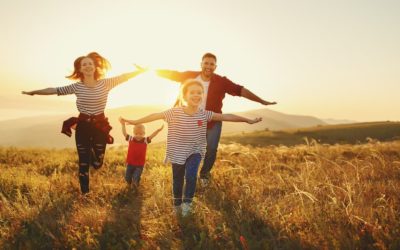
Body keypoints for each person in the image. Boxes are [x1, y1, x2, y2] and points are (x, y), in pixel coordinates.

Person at [120, 79, 262, 217]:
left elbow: (226, 116)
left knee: (191, 175)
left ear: (202, 96)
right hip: (177, 152)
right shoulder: (174, 112)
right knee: (178, 179)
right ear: (185, 96)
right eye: (192, 92)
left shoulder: (204, 114)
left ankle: (187, 204)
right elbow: (155, 116)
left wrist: (247, 120)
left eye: (199, 93)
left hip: (195, 151)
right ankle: (177, 205)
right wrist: (134, 122)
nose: (196, 95)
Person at [22, 52, 146, 194]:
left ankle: (93, 155)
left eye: (90, 64)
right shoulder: (77, 87)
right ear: (80, 69)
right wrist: (34, 92)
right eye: (84, 64)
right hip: (83, 126)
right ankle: (85, 193)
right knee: (83, 162)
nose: (87, 66)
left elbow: (124, 77)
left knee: (98, 163)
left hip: (100, 126)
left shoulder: (105, 83)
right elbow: (54, 90)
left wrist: (140, 71)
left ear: (95, 67)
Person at [155, 52, 277, 187]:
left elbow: (240, 90)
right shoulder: (190, 76)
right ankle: (188, 174)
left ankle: (204, 174)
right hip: (190, 120)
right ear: (201, 64)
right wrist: (148, 69)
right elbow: (171, 74)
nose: (208, 66)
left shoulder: (221, 81)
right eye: (206, 63)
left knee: (211, 149)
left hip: (213, 120)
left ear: (215, 66)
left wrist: (262, 101)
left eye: (211, 64)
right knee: (188, 148)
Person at [119, 118, 163, 189]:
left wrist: (158, 130)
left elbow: (152, 135)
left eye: (141, 134)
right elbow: (124, 133)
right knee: (127, 178)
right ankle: (129, 186)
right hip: (130, 163)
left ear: (144, 133)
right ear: (134, 133)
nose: (138, 135)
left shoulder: (145, 140)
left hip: (139, 165)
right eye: (136, 133)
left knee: (136, 177)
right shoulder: (131, 139)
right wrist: (123, 125)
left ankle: (135, 188)